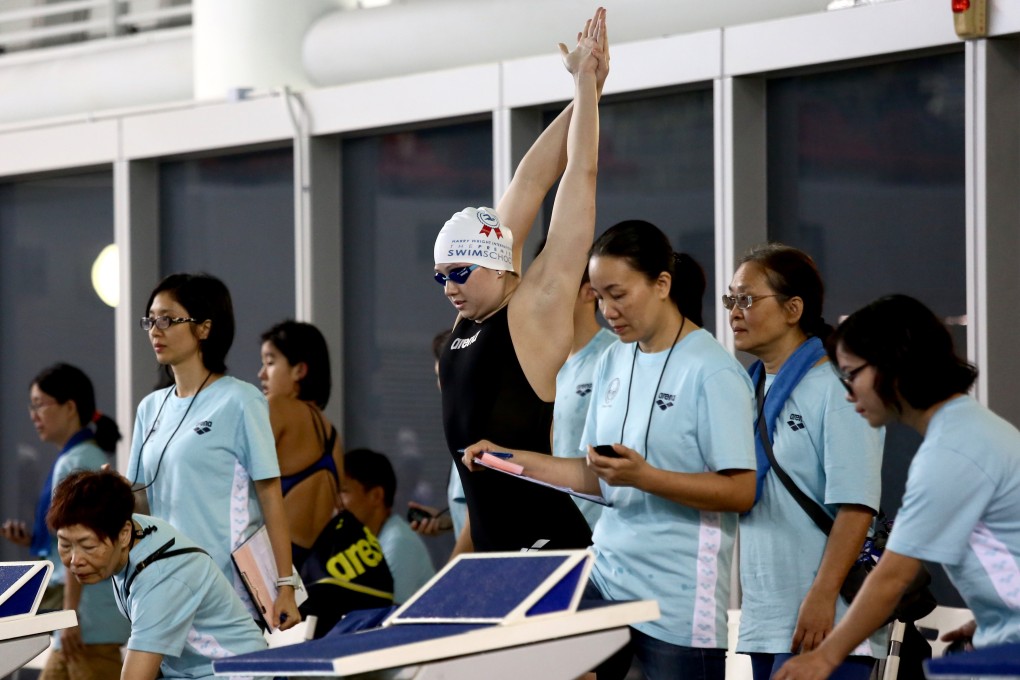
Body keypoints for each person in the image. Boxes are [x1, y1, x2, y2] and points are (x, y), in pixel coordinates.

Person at [463, 220, 758, 680]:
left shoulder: (712, 372)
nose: (607, 311)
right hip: (607, 578)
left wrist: (646, 478)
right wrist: (509, 458)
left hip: (676, 608)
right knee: (523, 644)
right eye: (599, 296)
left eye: (618, 294)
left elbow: (741, 493)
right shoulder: (613, 360)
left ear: (662, 284)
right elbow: (596, 476)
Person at [774, 294, 1020, 680]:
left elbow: (893, 576)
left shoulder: (953, 450)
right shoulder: (972, 431)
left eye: (852, 373)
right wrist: (995, 619)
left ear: (892, 366)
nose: (848, 391)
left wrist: (825, 656)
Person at [435, 7, 606, 555]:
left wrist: (586, 87)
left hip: (547, 546)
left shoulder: (534, 311)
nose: (448, 289)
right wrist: (587, 91)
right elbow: (529, 180)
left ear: (498, 262)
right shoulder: (470, 316)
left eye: (458, 273)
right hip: (491, 548)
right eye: (439, 277)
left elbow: (576, 176)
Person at [726, 245, 886, 680]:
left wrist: (822, 596)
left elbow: (857, 506)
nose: (734, 312)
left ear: (793, 309)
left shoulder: (836, 387)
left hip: (826, 617)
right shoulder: (746, 389)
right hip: (768, 616)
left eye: (747, 299)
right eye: (730, 299)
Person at [128, 272, 299, 630]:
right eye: (150, 320)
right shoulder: (150, 407)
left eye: (167, 319)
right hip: (165, 588)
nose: (155, 330)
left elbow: (270, 497)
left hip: (227, 591)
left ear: (204, 328)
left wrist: (285, 584)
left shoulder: (240, 399)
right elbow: (141, 501)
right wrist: (111, 491)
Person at [48, 469, 268, 680]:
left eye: (87, 546)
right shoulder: (134, 530)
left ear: (124, 534)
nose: (75, 560)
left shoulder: (160, 578)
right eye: (65, 545)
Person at [1, 363, 131, 679]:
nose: (33, 415)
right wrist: (34, 539)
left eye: (39, 404)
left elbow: (81, 546)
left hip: (86, 623)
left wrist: (69, 615)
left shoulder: (75, 463)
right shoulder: (80, 457)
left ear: (69, 407)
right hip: (82, 620)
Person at [258, 320, 344, 570]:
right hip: (307, 569)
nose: (261, 374)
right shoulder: (332, 436)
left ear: (299, 370)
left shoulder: (276, 406)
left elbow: (232, 477)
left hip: (271, 562)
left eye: (270, 362)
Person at [552, 262, 616, 531]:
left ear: (589, 291)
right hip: (555, 525)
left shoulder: (616, 354)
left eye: (555, 286)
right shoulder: (544, 365)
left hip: (600, 531)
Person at [341, 448, 436, 604]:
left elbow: (381, 614)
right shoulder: (358, 540)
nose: (336, 502)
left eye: (343, 491)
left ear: (376, 496)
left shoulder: (400, 542)